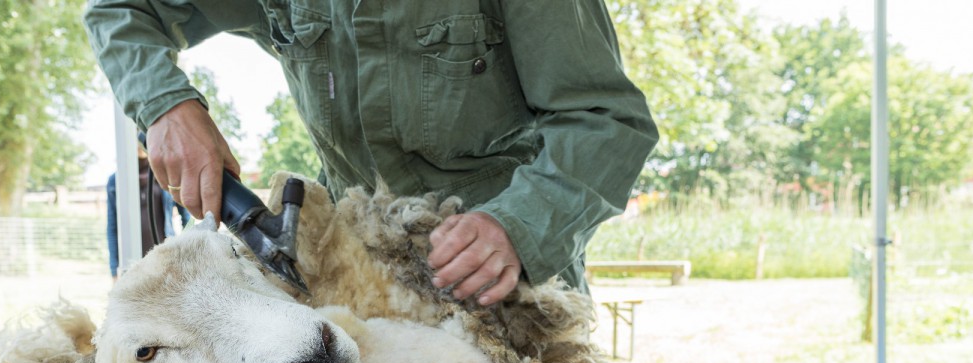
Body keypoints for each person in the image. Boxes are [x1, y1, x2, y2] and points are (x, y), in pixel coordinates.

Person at [85, 1, 658, 304]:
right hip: (355, 290)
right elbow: (122, 8)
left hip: (499, 288)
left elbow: (607, 120)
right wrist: (165, 106)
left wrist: (518, 227)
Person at [107, 142, 192, 279]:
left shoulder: (167, 174)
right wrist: (113, 269)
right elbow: (112, 227)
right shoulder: (116, 180)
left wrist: (188, 253)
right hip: (131, 261)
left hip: (165, 257)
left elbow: (187, 217)